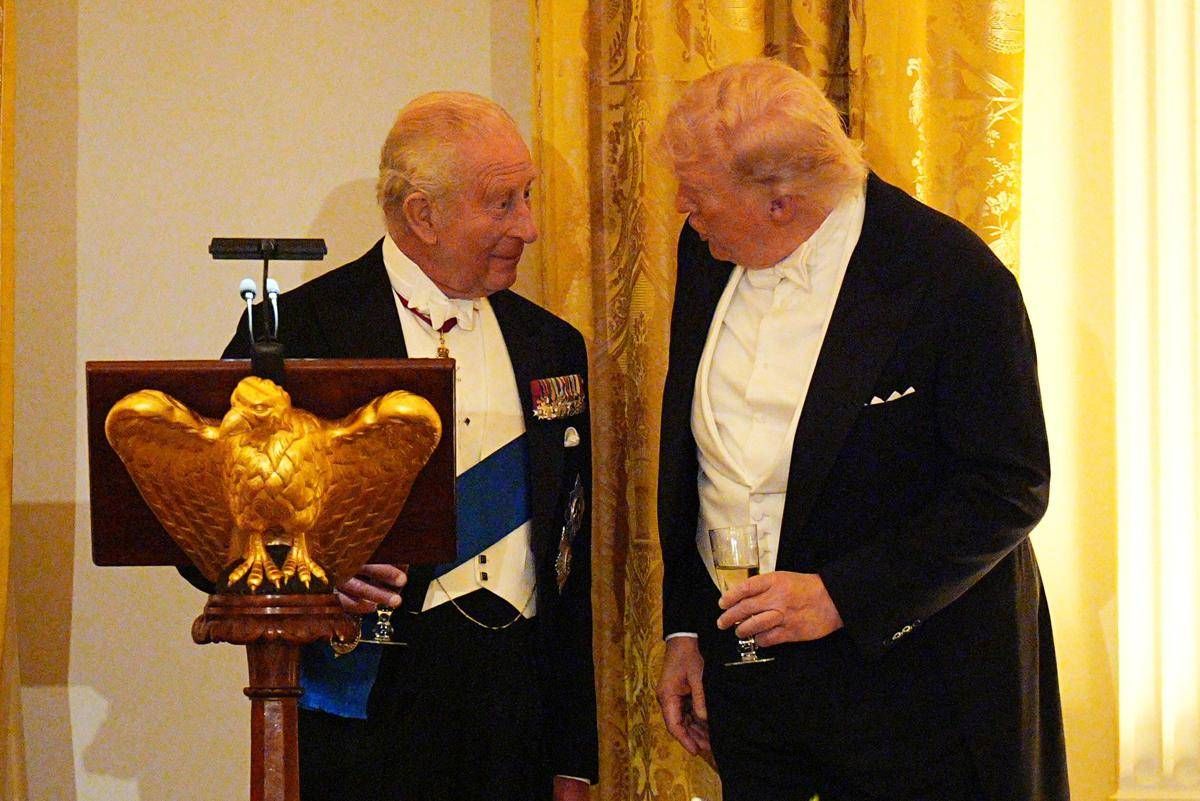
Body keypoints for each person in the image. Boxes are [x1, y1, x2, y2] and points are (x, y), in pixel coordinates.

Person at [654, 59, 1069, 801]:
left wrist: (840, 595)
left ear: (780, 201)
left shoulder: (951, 277)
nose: (684, 205)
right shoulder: (707, 250)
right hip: (750, 689)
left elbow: (1009, 486)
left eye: (698, 190)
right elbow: (697, 462)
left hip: (913, 692)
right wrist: (685, 628)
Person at [222, 92, 597, 801]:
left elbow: (569, 566)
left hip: (517, 710)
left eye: (527, 197)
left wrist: (572, 756)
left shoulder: (551, 343)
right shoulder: (299, 334)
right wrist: (309, 571)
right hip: (364, 708)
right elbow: (212, 519)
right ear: (423, 214)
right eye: (503, 203)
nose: (529, 226)